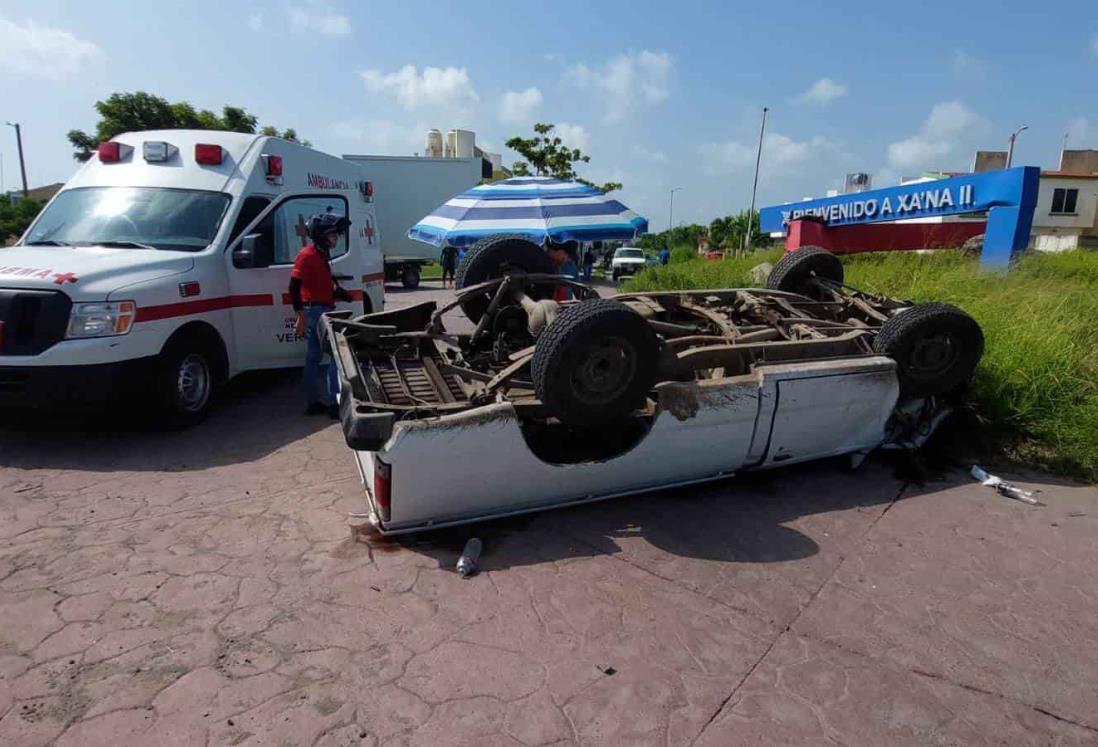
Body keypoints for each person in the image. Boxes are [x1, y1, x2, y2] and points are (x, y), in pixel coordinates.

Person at [289, 213, 352, 416]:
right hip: (316, 312)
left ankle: (313, 402)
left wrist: (338, 294)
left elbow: (318, 286)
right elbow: (293, 287)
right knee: (335, 356)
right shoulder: (307, 255)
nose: (335, 238)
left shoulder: (322, 256)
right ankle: (334, 403)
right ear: (320, 236)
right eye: (332, 234)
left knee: (314, 357)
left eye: (336, 234)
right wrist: (300, 315)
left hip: (321, 308)